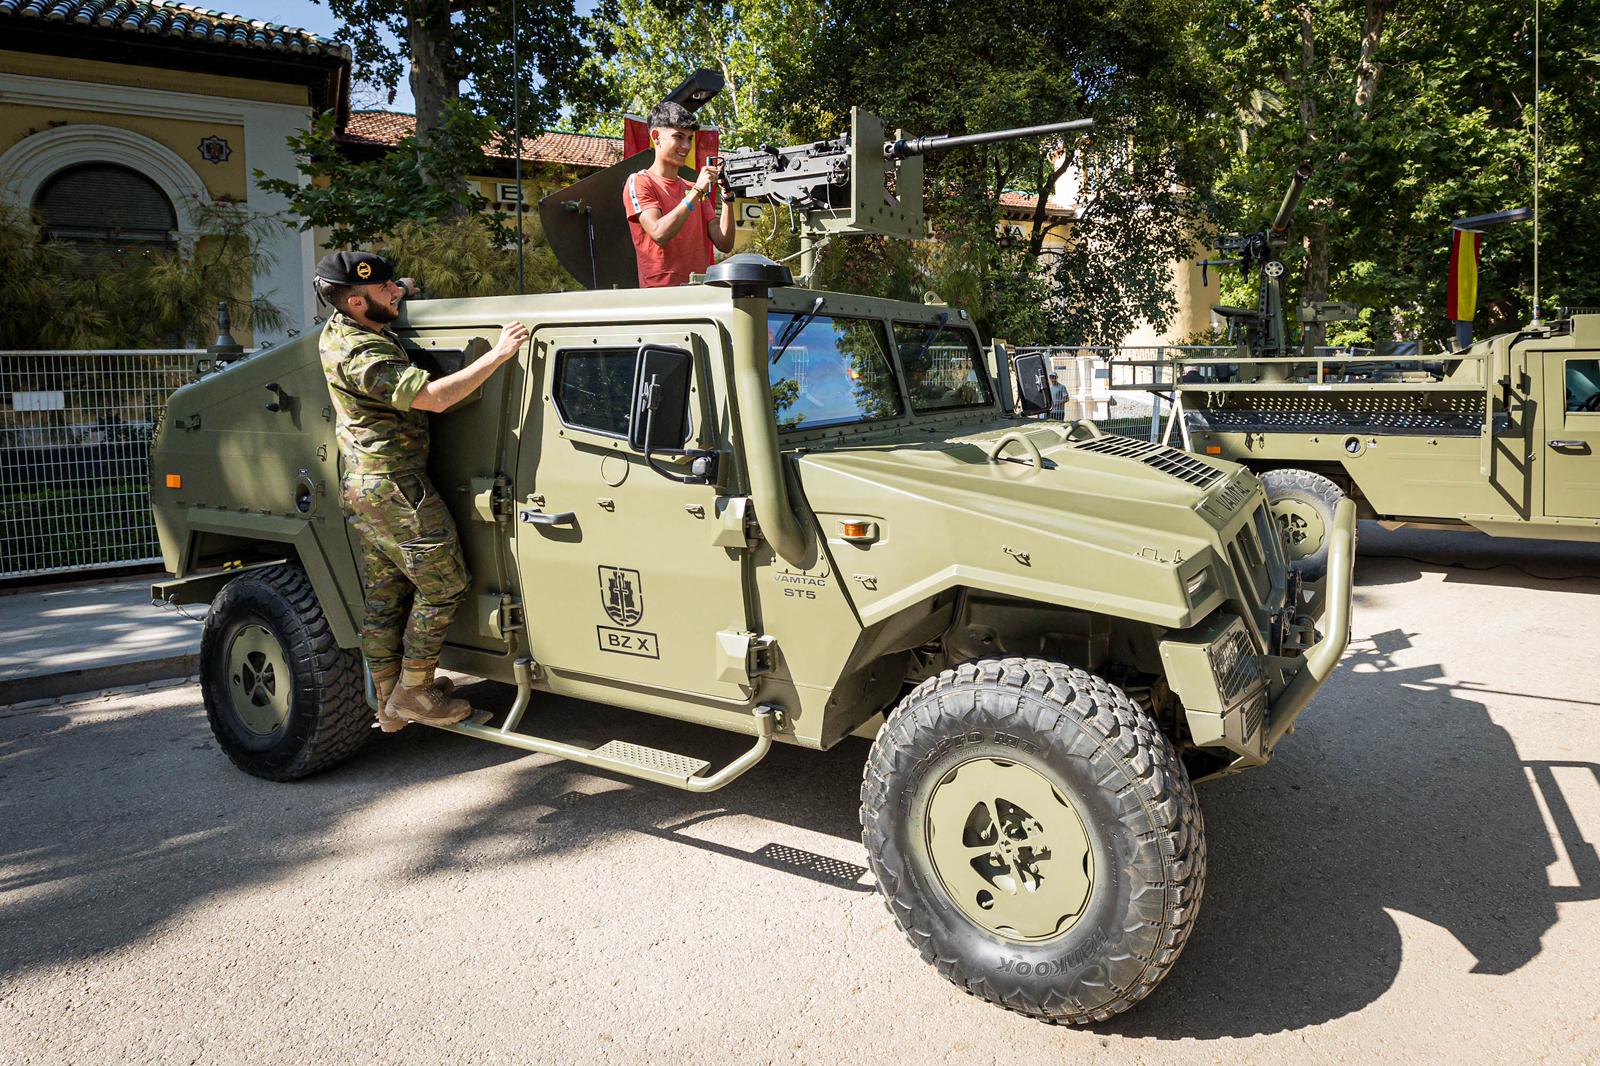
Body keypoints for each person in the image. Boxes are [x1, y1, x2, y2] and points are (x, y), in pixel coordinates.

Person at [313, 251, 529, 730]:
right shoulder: (362, 354)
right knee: (445, 583)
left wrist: (400, 287)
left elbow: (391, 291)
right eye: (384, 290)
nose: (395, 292)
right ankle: (415, 690)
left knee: (386, 594)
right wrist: (498, 353)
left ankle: (389, 701)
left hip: (366, 483)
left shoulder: (342, 325)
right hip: (393, 486)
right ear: (355, 302)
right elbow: (433, 398)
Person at [623, 101, 737, 287]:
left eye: (690, 139)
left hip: (701, 292)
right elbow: (659, 233)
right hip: (663, 298)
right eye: (679, 137)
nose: (686, 146)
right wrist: (697, 191)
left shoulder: (694, 189)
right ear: (656, 137)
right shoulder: (640, 181)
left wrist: (728, 197)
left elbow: (724, 243)